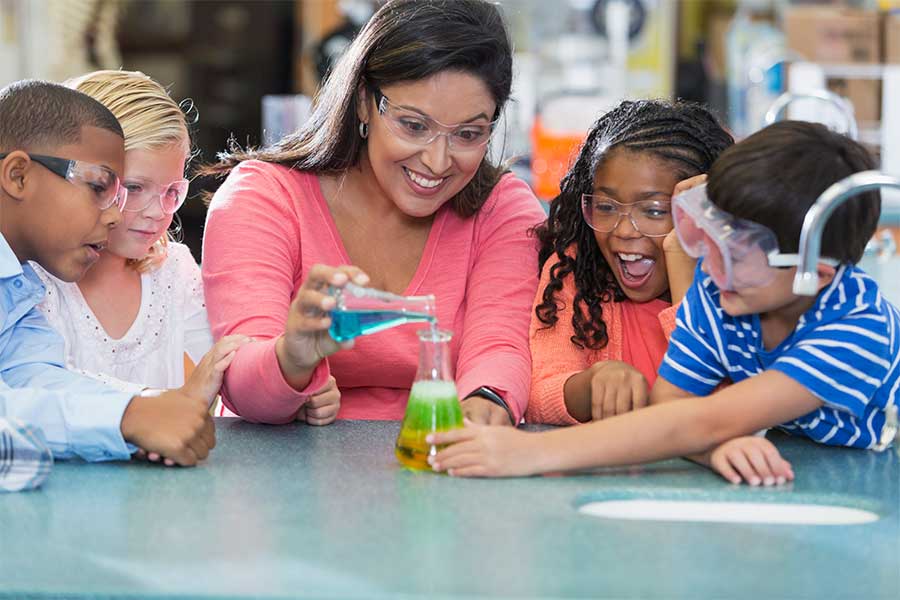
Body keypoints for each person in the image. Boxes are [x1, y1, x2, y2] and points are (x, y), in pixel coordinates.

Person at [429, 121, 897, 485]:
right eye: (709, 241)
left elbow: (706, 418)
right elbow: (672, 411)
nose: (710, 268)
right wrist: (713, 450)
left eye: (735, 255)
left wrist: (526, 454)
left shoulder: (856, 329)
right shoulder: (724, 294)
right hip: (825, 476)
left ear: (812, 274)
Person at [200, 0, 545, 424]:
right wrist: (291, 356)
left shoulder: (503, 210)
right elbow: (243, 390)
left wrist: (485, 407)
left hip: (441, 457)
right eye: (414, 126)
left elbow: (499, 349)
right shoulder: (264, 198)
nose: (437, 162)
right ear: (364, 102)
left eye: (468, 134)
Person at [0, 79, 242, 466]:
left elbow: (35, 378)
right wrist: (128, 416)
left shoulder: (18, 285)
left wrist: (140, 411)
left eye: (170, 192)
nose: (115, 213)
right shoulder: (41, 281)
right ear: (18, 176)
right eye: (100, 187)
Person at [526, 100, 733, 425]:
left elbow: (725, 403)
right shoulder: (576, 271)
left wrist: (684, 272)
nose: (622, 230)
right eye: (606, 207)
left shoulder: (743, 285)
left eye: (653, 210)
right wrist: (591, 385)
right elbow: (537, 395)